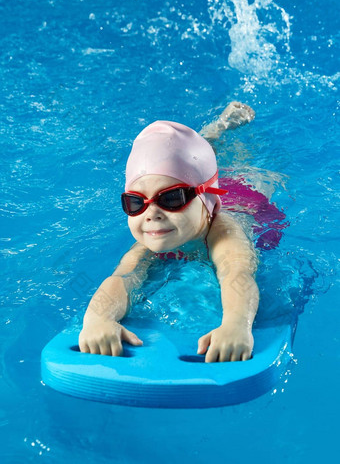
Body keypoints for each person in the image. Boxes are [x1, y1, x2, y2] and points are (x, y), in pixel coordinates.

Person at [79, 102, 259, 362]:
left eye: (172, 198)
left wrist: (236, 325)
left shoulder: (224, 234)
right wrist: (97, 319)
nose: (151, 213)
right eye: (136, 202)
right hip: (200, 181)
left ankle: (221, 129)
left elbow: (236, 273)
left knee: (243, 166)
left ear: (206, 201)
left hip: (244, 196)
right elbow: (122, 278)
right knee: (194, 158)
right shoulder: (152, 238)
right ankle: (215, 130)